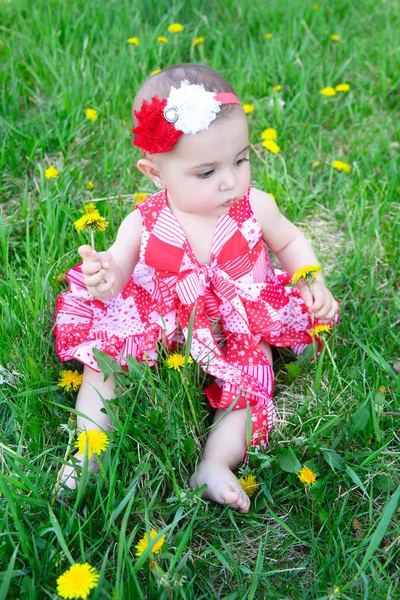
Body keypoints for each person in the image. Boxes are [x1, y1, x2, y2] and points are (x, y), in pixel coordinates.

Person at [55, 64, 339, 512]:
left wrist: (310, 278)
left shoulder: (254, 207)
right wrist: (105, 278)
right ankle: (89, 447)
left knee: (252, 381)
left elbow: (289, 240)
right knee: (103, 365)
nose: (230, 180)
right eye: (207, 172)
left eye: (241, 160)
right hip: (164, 320)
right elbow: (118, 279)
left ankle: (214, 463)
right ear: (154, 173)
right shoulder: (143, 222)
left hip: (238, 321)